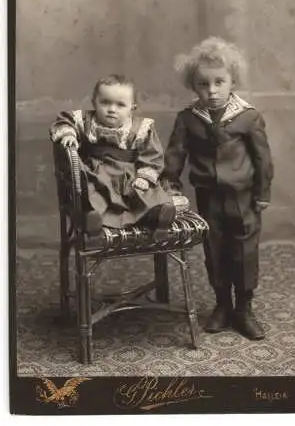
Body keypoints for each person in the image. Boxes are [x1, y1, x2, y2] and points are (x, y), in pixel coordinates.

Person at [162, 37, 274, 340]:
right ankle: (222, 304)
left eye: (219, 82)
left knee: (245, 250)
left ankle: (244, 308)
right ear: (193, 85)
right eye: (203, 84)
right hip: (208, 195)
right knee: (215, 248)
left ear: (232, 81)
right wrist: (170, 184)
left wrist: (262, 194)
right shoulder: (188, 118)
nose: (211, 91)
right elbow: (175, 154)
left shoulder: (248, 116)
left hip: (244, 196)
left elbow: (262, 158)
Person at [50, 74, 176, 239]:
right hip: (97, 174)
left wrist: (144, 177)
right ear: (94, 102)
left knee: (147, 194)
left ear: (132, 108)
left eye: (120, 105)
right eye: (105, 102)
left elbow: (152, 155)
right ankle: (91, 220)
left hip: (128, 177)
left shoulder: (140, 128)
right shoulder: (84, 120)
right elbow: (63, 121)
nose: (112, 109)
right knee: (90, 192)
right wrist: (69, 134)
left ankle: (158, 216)